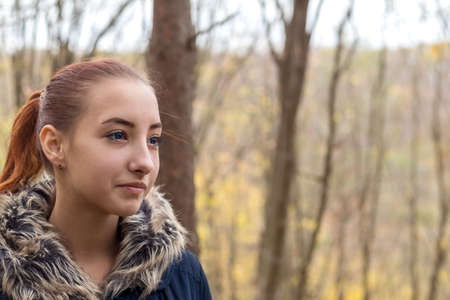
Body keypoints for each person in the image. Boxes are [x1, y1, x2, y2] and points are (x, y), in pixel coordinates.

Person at [0, 59, 212, 300]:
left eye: (153, 140)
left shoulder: (183, 276)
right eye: (118, 135)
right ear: (55, 145)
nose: (145, 163)